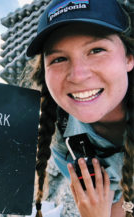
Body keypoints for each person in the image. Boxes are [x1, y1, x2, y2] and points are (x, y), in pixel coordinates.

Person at [25, 0, 134, 216]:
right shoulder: (65, 146)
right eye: (59, 59)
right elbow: (119, 203)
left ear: (129, 58)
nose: (78, 75)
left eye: (96, 50)